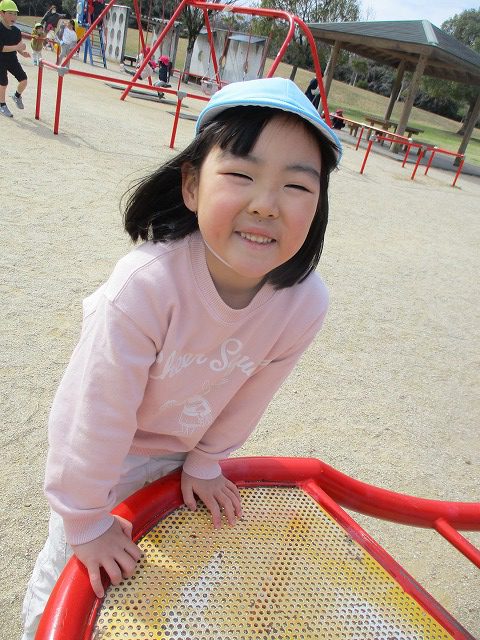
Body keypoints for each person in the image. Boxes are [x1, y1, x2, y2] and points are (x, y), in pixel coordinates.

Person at [21, 77, 342, 639]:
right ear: (192, 185)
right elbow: (92, 413)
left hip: (181, 456)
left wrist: (205, 460)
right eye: (241, 175)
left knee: (160, 590)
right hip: (113, 459)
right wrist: (86, 519)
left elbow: (250, 395)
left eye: (297, 186)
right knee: (73, 583)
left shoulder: (303, 303)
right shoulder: (146, 286)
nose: (265, 205)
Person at [0, 0, 29, 118]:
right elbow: (2, 48)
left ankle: (16, 96)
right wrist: (17, 48)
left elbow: (17, 46)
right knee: (3, 82)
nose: (13, 16)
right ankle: (2, 105)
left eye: (15, 14)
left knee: (24, 79)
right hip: (1, 59)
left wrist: (23, 53)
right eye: (10, 13)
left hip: (12, 59)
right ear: (2, 13)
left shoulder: (16, 31)